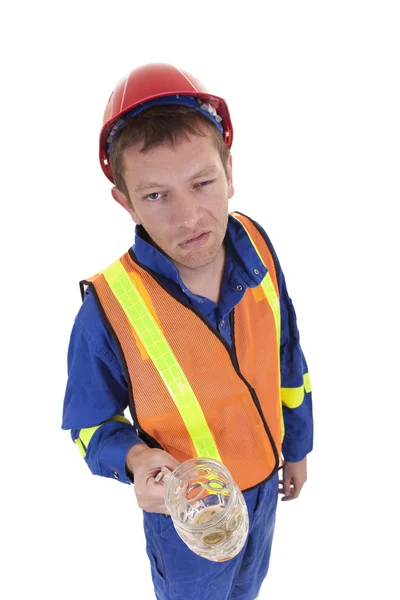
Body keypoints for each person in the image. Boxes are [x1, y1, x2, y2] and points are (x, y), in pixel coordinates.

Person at [62, 62, 313, 600]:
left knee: (248, 587)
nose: (189, 215)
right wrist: (132, 459)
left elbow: (287, 352)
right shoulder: (108, 307)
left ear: (229, 171)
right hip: (188, 515)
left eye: (202, 183)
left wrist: (297, 444)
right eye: (156, 196)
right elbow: (88, 423)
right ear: (125, 201)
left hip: (265, 485)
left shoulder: (257, 245)